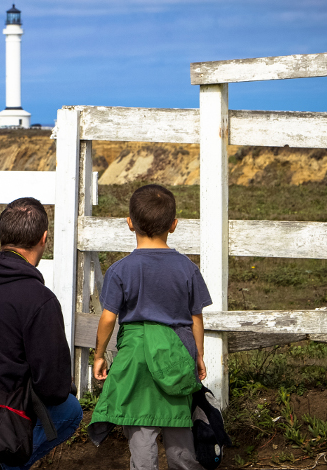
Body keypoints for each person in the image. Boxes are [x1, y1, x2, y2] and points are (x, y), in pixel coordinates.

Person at [0, 197, 82, 470]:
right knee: (69, 411)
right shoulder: (39, 300)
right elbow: (53, 389)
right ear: (44, 238)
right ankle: (1, 465)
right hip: (4, 410)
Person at [89, 184, 212, 470]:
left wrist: (99, 355)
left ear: (130, 223)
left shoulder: (121, 270)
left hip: (135, 358)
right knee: (180, 430)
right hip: (176, 355)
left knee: (141, 433)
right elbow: (196, 317)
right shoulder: (187, 269)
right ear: (174, 225)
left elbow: (108, 317)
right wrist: (198, 355)